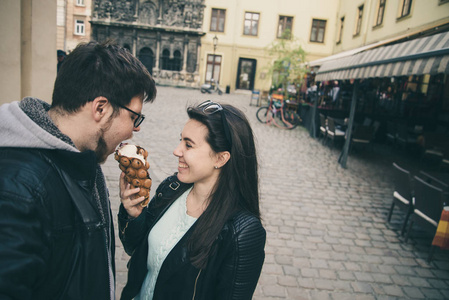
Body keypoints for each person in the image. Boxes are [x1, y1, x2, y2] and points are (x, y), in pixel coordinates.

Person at [0, 40, 156, 299]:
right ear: (101, 108)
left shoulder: (82, 158)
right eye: (134, 117)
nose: (134, 130)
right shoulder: (18, 189)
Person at [118, 100, 266, 300]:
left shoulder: (241, 232)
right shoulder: (171, 188)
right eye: (181, 141)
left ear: (220, 158)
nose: (176, 151)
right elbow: (135, 248)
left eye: (188, 145)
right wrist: (134, 215)